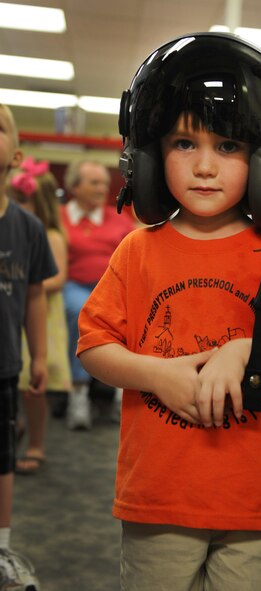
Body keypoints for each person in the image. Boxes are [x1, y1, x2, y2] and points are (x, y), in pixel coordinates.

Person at [77, 33, 261, 591]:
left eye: (227, 147)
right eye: (182, 145)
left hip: (253, 500)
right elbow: (95, 344)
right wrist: (158, 374)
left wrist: (244, 350)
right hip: (160, 497)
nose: (203, 167)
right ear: (149, 156)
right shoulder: (138, 250)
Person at [0, 104, 57, 589]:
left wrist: (39, 356)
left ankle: (0, 549)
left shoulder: (28, 228)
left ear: (15, 155)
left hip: (3, 364)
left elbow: (35, 294)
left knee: (2, 460)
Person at [7, 157, 71, 475]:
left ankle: (36, 443)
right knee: (13, 381)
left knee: (33, 386)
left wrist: (26, 281)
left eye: (19, 199)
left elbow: (57, 279)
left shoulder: (52, 236)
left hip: (41, 319)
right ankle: (14, 426)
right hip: (13, 316)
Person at [61, 159, 134, 430]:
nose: (102, 188)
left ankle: (121, 393)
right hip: (75, 284)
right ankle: (78, 395)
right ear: (74, 187)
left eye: (104, 182)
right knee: (80, 312)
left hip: (113, 287)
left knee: (133, 317)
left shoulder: (118, 216)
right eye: (94, 182)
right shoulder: (60, 217)